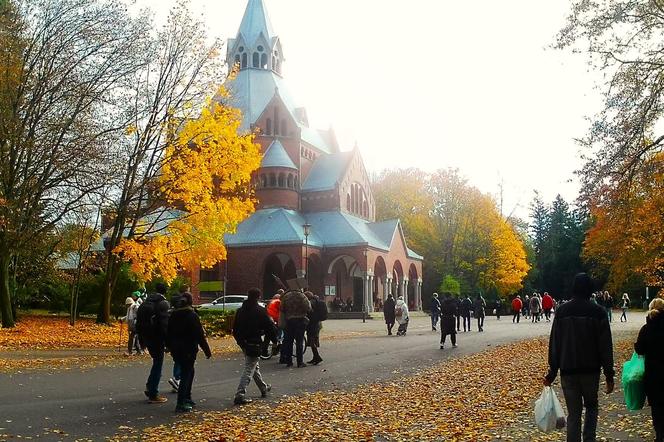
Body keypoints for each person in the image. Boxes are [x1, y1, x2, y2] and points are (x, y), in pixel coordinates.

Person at [544, 273, 615, 442]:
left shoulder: (562, 311)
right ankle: (589, 438)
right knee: (591, 406)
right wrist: (609, 374)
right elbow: (605, 346)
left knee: (573, 414)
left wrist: (552, 372)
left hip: (568, 370)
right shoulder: (598, 312)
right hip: (591, 370)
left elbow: (555, 343)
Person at [166, 291, 211, 412]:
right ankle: (181, 401)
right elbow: (199, 335)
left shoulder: (174, 315)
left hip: (176, 349)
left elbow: (168, 332)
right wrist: (207, 350)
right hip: (188, 348)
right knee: (187, 373)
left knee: (189, 371)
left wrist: (168, 346)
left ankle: (187, 397)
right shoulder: (192, 315)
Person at [232, 288, 278, 405]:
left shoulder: (240, 311)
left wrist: (240, 342)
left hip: (244, 342)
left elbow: (235, 329)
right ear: (258, 297)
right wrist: (275, 340)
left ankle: (263, 387)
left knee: (253, 366)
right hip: (254, 342)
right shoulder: (260, 311)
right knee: (249, 368)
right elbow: (269, 327)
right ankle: (240, 394)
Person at [634, 298, 664, 442]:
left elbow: (640, 349)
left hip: (653, 373)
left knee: (656, 406)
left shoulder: (647, 328)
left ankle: (659, 434)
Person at [136, 283, 171, 403]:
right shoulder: (162, 304)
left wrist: (142, 340)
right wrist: (168, 343)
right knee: (158, 363)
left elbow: (139, 322)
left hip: (146, 337)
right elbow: (164, 325)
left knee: (156, 362)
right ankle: (153, 392)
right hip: (157, 338)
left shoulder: (146, 302)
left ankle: (150, 386)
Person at [280, 289, 311, 367]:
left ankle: (289, 362)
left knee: (289, 342)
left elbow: (281, 308)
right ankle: (300, 362)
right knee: (299, 342)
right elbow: (308, 307)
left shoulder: (286, 296)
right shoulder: (302, 296)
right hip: (300, 320)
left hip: (289, 321)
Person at [305, 291, 326, 365]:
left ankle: (317, 357)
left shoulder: (311, 302)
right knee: (314, 340)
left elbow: (308, 311)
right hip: (318, 323)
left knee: (311, 340)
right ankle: (315, 357)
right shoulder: (317, 301)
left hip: (312, 324)